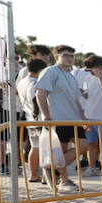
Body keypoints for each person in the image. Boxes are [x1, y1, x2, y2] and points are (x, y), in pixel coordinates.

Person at [35, 45, 86, 190]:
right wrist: (46, 116)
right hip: (58, 118)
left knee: (83, 145)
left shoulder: (72, 77)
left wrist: (83, 119)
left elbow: (76, 101)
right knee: (62, 150)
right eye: (66, 55)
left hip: (74, 119)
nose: (70, 58)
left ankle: (53, 170)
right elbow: (40, 93)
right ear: (57, 56)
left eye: (72, 55)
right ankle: (64, 179)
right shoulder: (50, 71)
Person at [17, 57, 48, 181]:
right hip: (39, 119)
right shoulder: (36, 83)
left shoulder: (22, 82)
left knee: (35, 147)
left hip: (29, 119)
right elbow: (36, 100)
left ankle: (33, 174)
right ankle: (46, 177)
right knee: (45, 149)